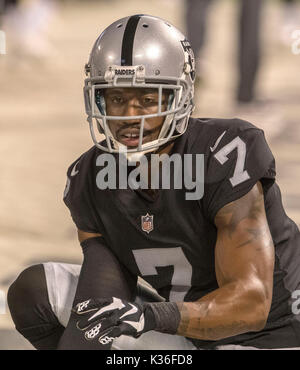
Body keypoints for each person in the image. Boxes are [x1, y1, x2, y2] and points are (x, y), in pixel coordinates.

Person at [7, 14, 300, 350]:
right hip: (186, 335)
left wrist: (152, 317)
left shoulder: (225, 153)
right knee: (36, 290)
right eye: (117, 99)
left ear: (180, 98)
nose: (131, 116)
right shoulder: (90, 177)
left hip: (273, 337)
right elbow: (99, 305)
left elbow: (251, 303)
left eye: (147, 100)